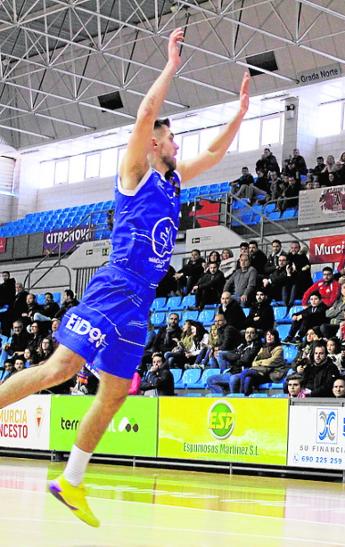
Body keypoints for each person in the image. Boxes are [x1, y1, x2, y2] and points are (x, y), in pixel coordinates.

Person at [0, 29, 250, 527]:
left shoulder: (175, 180)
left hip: (140, 301)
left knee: (115, 392)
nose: (179, 143)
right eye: (173, 136)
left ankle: (71, 480)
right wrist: (171, 66)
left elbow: (216, 157)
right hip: (114, 286)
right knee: (60, 370)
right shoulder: (134, 172)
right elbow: (141, 115)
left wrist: (240, 115)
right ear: (157, 140)